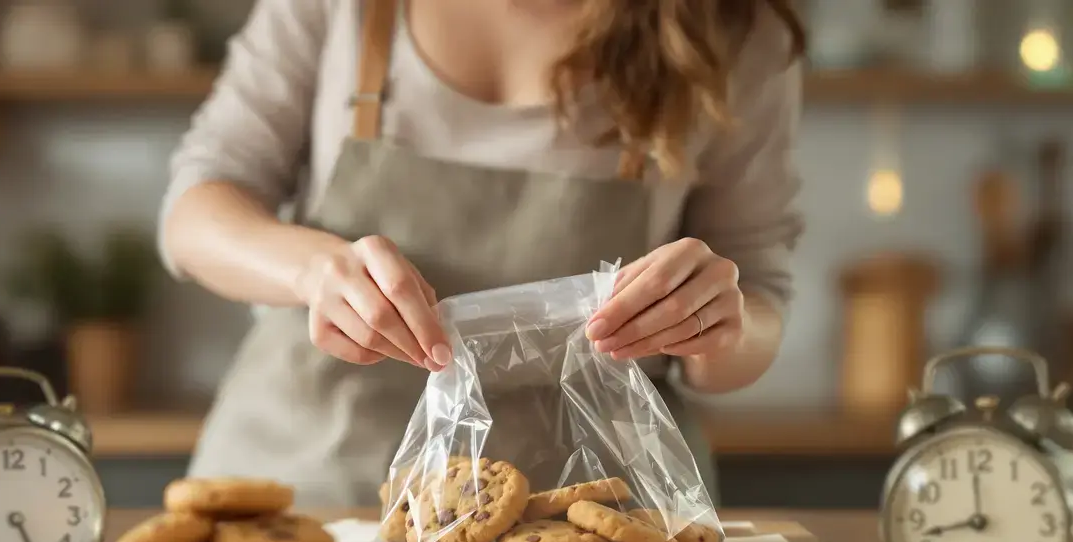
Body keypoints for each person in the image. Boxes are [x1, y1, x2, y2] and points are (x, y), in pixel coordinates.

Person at [159, 0, 807, 509]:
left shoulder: (734, 34)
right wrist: (313, 270)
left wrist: (715, 325)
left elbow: (759, 297)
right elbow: (195, 209)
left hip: (587, 509)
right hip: (309, 483)